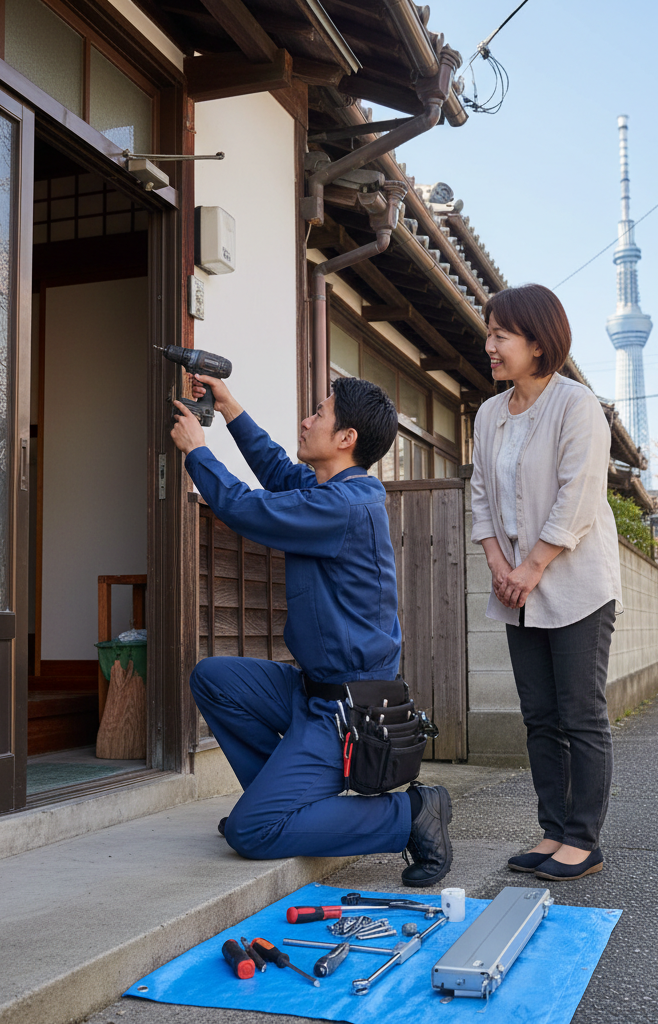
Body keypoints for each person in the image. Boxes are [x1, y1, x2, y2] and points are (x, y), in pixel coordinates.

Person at [169, 371, 453, 888]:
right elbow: (277, 470)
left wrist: (197, 453)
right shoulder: (332, 489)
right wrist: (231, 407)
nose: (306, 420)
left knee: (251, 834)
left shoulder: (343, 506)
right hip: (311, 692)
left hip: (347, 712)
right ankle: (278, 804)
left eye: (318, 414)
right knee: (213, 677)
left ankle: (409, 813)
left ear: (346, 439)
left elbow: (242, 508)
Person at [470, 284, 622, 881]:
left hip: (576, 583)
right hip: (515, 586)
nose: (490, 346)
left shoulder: (576, 405)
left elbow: (577, 498)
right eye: (489, 334)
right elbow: (481, 493)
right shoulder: (488, 414)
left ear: (538, 343)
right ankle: (552, 830)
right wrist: (498, 566)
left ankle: (584, 839)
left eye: (500, 335)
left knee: (580, 712)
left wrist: (531, 567)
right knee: (538, 716)